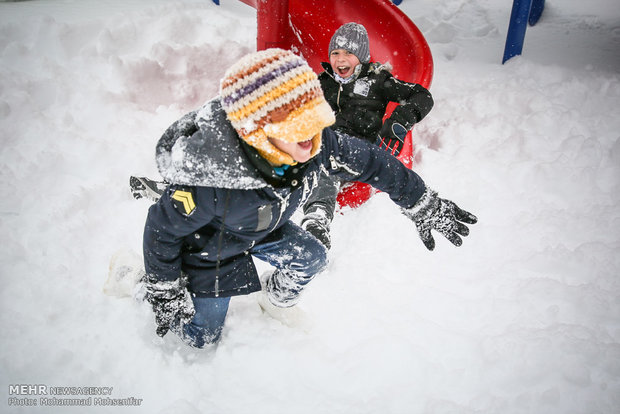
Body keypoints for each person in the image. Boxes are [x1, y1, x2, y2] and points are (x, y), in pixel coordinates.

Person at [141, 48, 476, 348]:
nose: (309, 132)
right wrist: (164, 289)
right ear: (257, 131)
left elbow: (372, 162)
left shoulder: (315, 143)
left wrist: (420, 200)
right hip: (211, 245)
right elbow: (162, 230)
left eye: (312, 115)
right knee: (203, 337)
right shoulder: (211, 180)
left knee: (311, 257)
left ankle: (271, 300)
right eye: (294, 123)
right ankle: (137, 283)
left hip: (264, 224)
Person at [300, 22, 435, 248]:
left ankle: (317, 218)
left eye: (349, 53)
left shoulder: (377, 80)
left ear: (361, 57)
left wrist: (399, 120)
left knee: (326, 164)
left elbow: (422, 96)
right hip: (326, 142)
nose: (340, 59)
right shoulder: (323, 82)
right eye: (335, 53)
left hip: (359, 150)